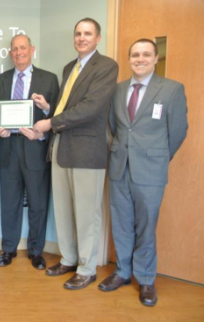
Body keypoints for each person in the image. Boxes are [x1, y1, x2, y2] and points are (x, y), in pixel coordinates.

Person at [98, 39, 188, 306]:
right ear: (129, 59)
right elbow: (113, 125)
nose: (140, 59)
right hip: (119, 167)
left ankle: (146, 279)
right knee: (122, 223)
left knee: (146, 226)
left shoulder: (171, 89)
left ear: (155, 58)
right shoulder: (117, 90)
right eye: (135, 54)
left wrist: (158, 157)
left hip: (151, 170)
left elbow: (178, 131)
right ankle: (123, 272)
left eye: (146, 54)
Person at [33, 18, 118, 289]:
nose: (82, 38)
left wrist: (50, 123)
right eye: (78, 33)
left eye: (87, 34)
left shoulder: (106, 66)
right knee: (64, 209)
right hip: (61, 147)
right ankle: (69, 258)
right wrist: (49, 110)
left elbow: (91, 107)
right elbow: (64, 106)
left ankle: (87, 267)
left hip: (87, 150)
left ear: (98, 38)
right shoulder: (70, 67)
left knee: (86, 211)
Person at [0, 34, 59, 270]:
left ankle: (36, 251)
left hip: (35, 148)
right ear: (10, 54)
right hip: (9, 148)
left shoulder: (49, 79)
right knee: (9, 202)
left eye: (23, 48)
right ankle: (8, 249)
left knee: (38, 203)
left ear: (32, 50)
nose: (19, 52)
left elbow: (57, 116)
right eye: (14, 49)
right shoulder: (0, 80)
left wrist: (46, 111)